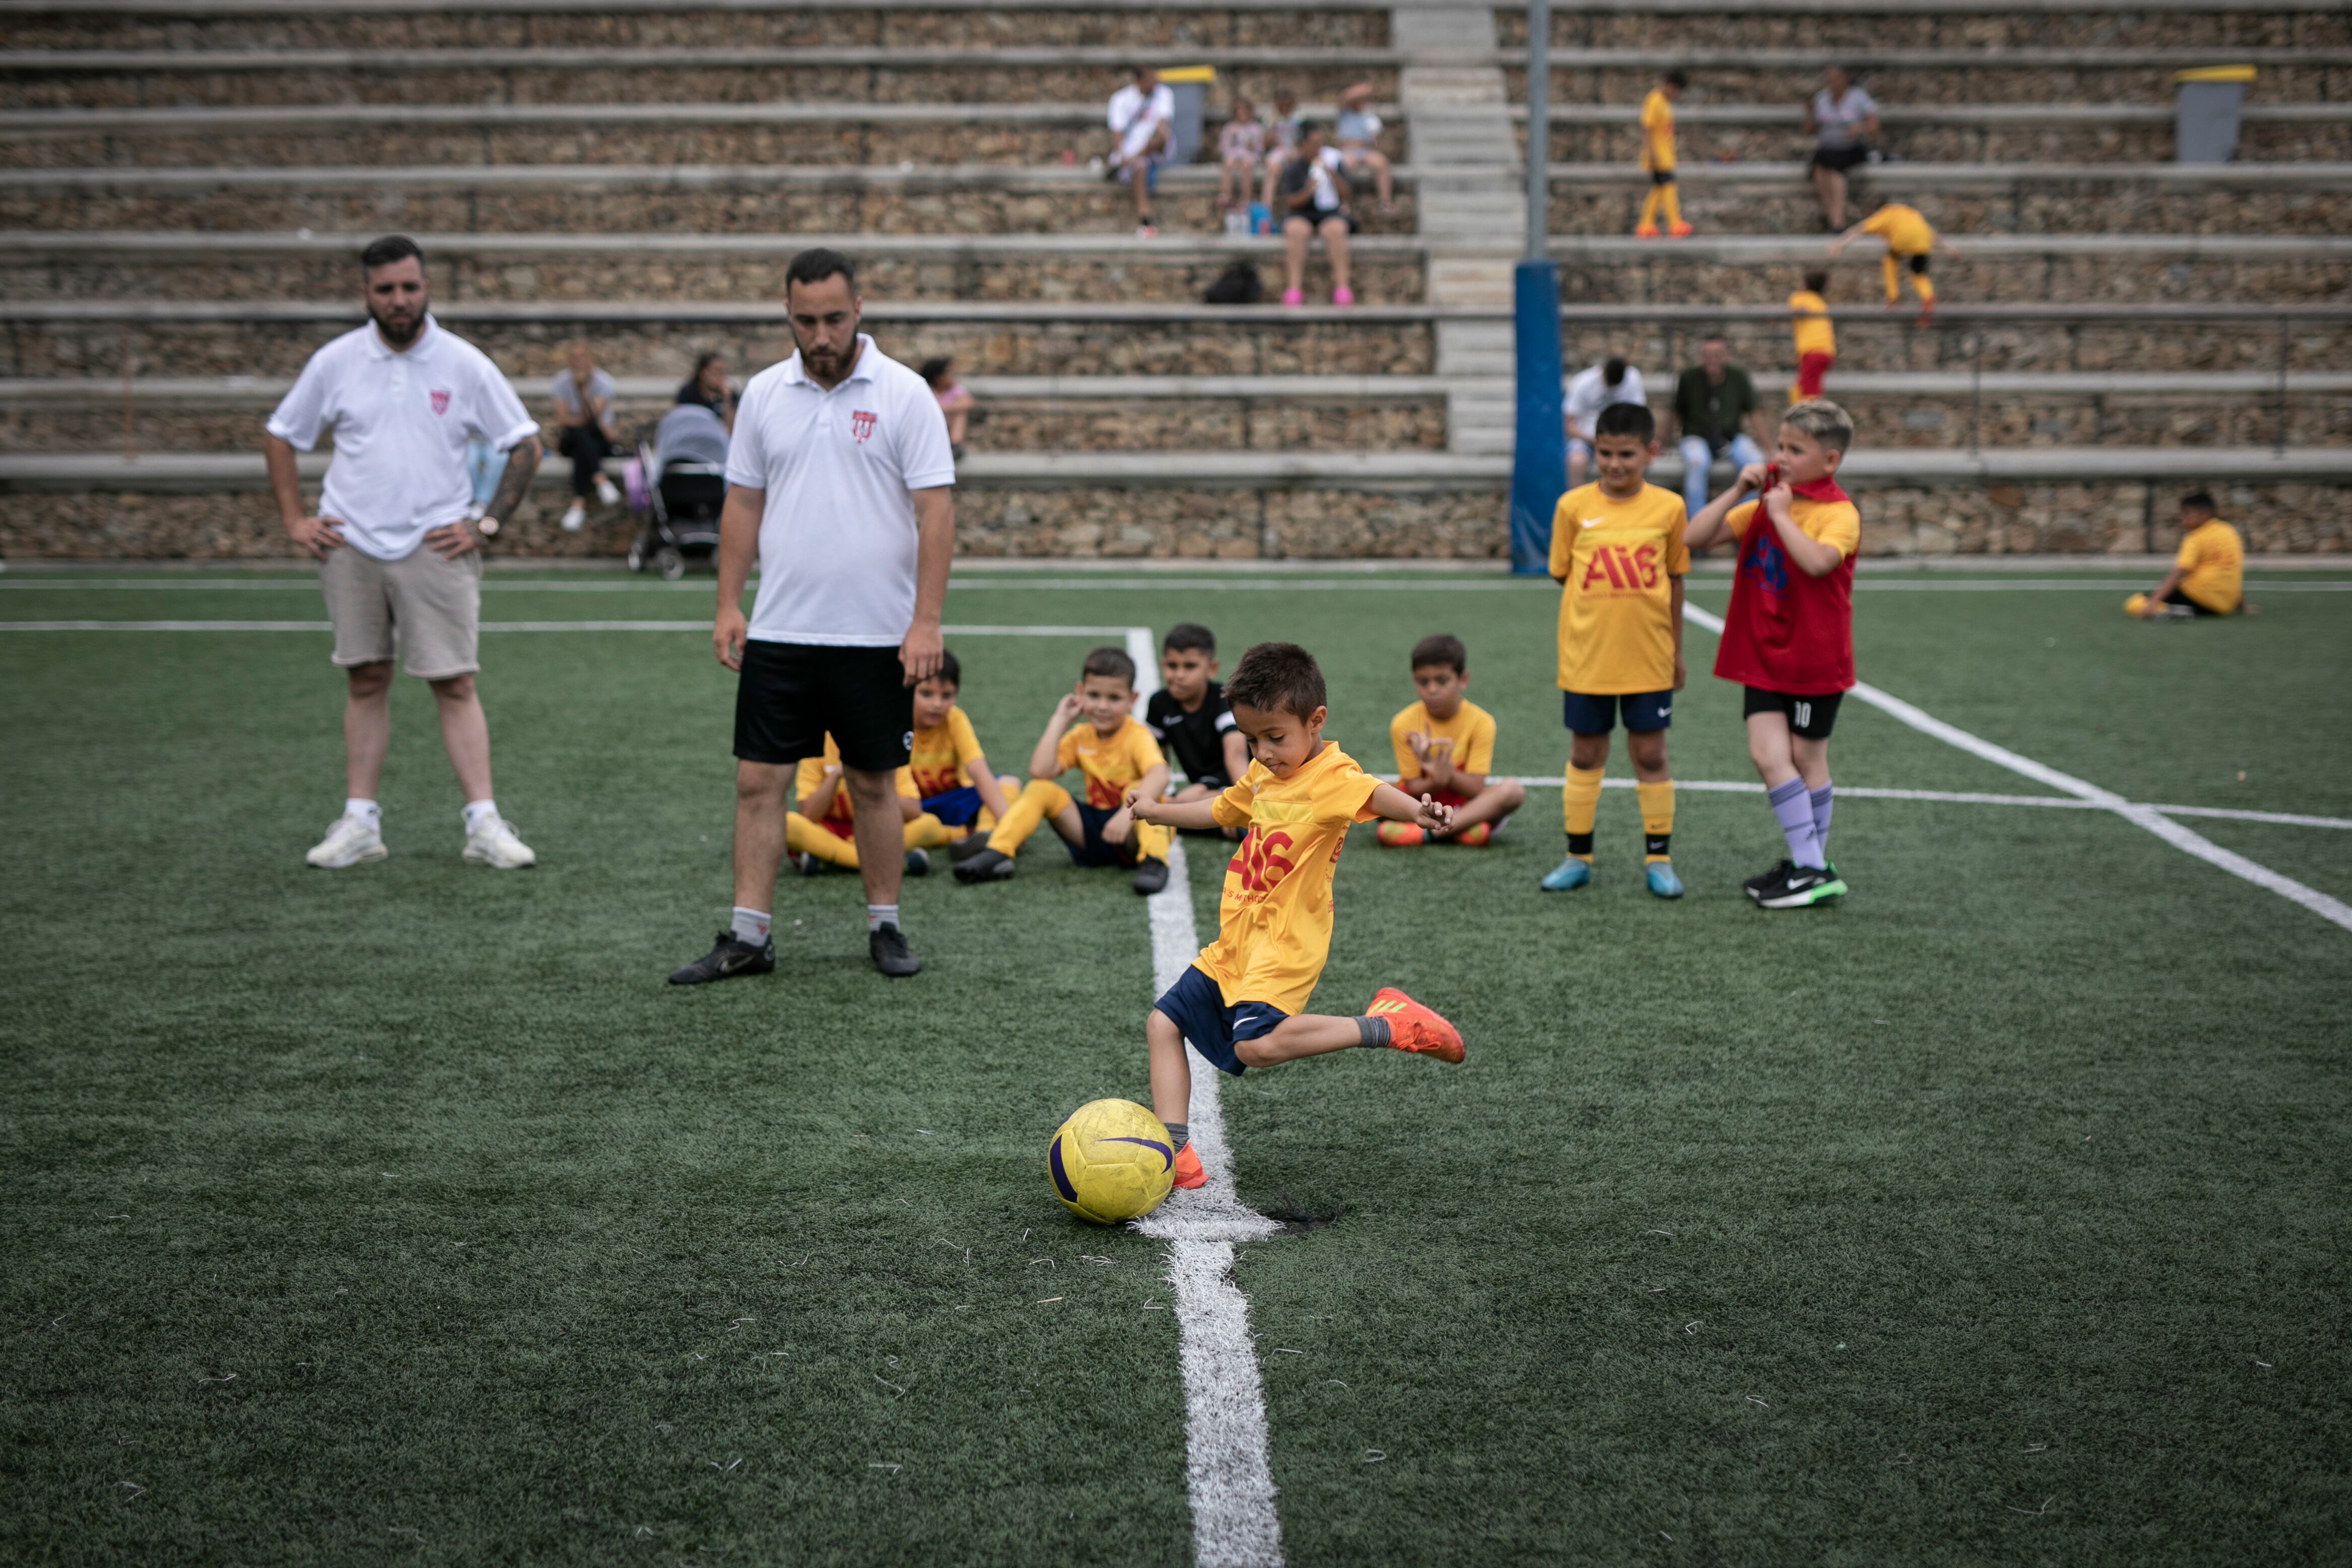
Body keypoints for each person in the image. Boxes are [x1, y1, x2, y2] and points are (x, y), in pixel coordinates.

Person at [668, 247, 956, 985]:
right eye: (806, 320)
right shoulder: (763, 394)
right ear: (787, 316)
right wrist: (729, 603)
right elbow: (742, 503)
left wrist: (925, 621)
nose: (821, 334)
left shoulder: (904, 393)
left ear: (858, 311)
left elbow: (935, 510)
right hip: (780, 630)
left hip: (875, 635)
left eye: (834, 318)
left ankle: (885, 926)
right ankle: (748, 934)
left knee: (872, 783)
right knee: (756, 783)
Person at [1125, 641, 1465, 1193]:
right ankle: (1177, 1151)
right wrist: (1156, 810)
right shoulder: (1261, 776)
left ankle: (1390, 1025)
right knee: (1162, 1024)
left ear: (1316, 721)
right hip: (1238, 939)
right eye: (1251, 739)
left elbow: (1378, 795)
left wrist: (1420, 811)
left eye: (1275, 737)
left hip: (1286, 940)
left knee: (1254, 1046)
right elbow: (1219, 808)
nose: (1262, 751)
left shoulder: (1332, 774)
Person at [263, 234, 542, 873]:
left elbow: (526, 444)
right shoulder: (335, 361)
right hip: (350, 543)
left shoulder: (463, 362)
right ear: (366, 293)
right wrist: (294, 520)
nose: (398, 300)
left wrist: (487, 523)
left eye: (409, 287)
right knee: (365, 678)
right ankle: (359, 821)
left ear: (426, 288)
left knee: (455, 682)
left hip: (434, 544)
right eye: (385, 289)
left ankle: (484, 823)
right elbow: (281, 435)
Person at [1685, 398, 1861, 910]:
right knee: (1767, 756)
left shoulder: (1838, 513)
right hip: (1762, 653)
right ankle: (1809, 864)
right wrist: (1740, 489)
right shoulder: (1766, 500)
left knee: (1806, 759)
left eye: (1795, 450)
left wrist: (1780, 514)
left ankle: (1810, 865)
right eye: (1779, 446)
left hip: (1812, 657)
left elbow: (1816, 563)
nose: (1780, 458)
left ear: (1829, 460)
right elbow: (1693, 538)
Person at [1538, 401, 1690, 899]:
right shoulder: (1572, 507)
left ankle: (1659, 858)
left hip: (1648, 656)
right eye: (1605, 454)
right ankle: (1577, 856)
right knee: (1585, 753)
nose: (1615, 464)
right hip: (1588, 658)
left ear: (1650, 451)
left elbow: (1674, 579)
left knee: (1650, 753)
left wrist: (1676, 652)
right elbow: (1563, 573)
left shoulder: (1668, 508)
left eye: (1626, 454)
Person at [952, 645, 1172, 893]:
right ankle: (997, 852)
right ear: (1080, 693)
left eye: (1114, 698)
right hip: (1094, 833)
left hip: (1131, 832)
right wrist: (1060, 720)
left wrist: (1125, 815)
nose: (1102, 706)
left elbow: (1160, 773)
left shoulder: (1137, 736)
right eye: (1094, 695)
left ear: (1132, 700)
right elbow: (1040, 771)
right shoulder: (1081, 736)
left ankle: (1155, 862)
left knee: (1142, 792)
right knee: (1040, 789)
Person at [1379, 634, 1526, 847]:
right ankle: (1462, 831)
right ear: (1414, 682)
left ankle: (1428, 834)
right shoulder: (1402, 723)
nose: (1432, 689)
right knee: (1371, 786)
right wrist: (1436, 781)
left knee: (1513, 791)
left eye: (1442, 680)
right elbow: (1413, 788)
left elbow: (1475, 789)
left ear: (1463, 680)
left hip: (1465, 805)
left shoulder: (1481, 722)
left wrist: (1446, 774)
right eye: (1423, 682)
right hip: (1421, 805)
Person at [904, 651, 1023, 863]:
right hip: (912, 810)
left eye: (946, 695)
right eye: (926, 694)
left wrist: (1009, 828)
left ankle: (986, 834)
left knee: (1009, 782)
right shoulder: (896, 725)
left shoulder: (955, 719)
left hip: (953, 803)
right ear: (907, 690)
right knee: (913, 822)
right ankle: (962, 835)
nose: (937, 704)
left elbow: (978, 770)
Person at [783, 733, 943, 877]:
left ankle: (835, 861)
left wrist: (875, 783)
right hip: (832, 833)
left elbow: (914, 810)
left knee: (930, 824)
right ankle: (888, 863)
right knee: (786, 824)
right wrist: (837, 775)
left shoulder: (887, 742)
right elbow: (808, 814)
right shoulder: (817, 743)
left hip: (878, 831)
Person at [1145, 623, 1251, 817]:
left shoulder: (1224, 700)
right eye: (1172, 666)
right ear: (1163, 665)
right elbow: (1155, 760)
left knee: (1180, 805)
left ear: (1211, 668)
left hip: (1241, 784)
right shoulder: (1159, 703)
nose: (1179, 675)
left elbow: (1236, 755)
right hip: (1203, 790)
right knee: (1163, 807)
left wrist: (1244, 801)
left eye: (1190, 666)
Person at [1667, 336, 1769, 517]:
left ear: (1726, 356)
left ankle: (1743, 523)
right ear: (1702, 356)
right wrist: (1661, 442)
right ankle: (1697, 528)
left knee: (1755, 461)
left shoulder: (1738, 377)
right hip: (1696, 437)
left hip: (1731, 437)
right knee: (1697, 462)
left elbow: (1755, 414)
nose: (1712, 360)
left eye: (1717, 355)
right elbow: (1675, 413)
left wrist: (1769, 449)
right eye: (1708, 355)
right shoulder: (1689, 378)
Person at [1830, 199, 1960, 323]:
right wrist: (1949, 249)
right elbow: (1930, 232)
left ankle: (1893, 299)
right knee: (1918, 273)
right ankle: (1927, 296)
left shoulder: (1884, 214)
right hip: (1923, 241)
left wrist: (1840, 245)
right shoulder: (1909, 212)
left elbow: (1858, 230)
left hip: (1903, 238)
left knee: (1889, 261)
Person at [2128, 491, 2247, 618]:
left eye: (2186, 514)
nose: (2182, 519)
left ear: (2204, 515)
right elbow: (2232, 572)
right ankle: (2178, 610)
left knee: (2135, 603)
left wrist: (2152, 603)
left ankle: (2170, 611)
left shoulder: (2195, 537)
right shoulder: (2229, 531)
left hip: (2199, 598)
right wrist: (2243, 607)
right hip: (2223, 607)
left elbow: (2180, 572)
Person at [1275, 121, 1355, 308]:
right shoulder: (1293, 168)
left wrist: (1333, 175)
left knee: (1336, 230)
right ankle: (1294, 289)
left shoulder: (1334, 162)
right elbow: (1289, 201)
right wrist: (1308, 190)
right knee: (1295, 231)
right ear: (1303, 144)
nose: (1318, 148)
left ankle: (1342, 288)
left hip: (1329, 214)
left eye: (1321, 143)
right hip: (1301, 214)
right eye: (1314, 143)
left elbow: (1347, 195)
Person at [550, 340, 622, 533]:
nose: (579, 362)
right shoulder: (560, 382)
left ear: (592, 360)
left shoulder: (604, 383)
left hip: (596, 438)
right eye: (575, 358)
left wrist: (582, 392)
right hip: (572, 438)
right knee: (579, 433)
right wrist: (577, 419)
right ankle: (600, 480)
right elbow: (564, 419)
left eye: (583, 358)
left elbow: (592, 417)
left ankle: (578, 506)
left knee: (584, 440)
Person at [1802, 65, 1880, 232]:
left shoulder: (1858, 98)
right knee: (1819, 169)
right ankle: (1832, 216)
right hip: (1828, 148)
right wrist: (1809, 113)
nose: (1832, 82)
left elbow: (1873, 126)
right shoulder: (1821, 99)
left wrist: (1858, 129)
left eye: (1835, 78)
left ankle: (1837, 220)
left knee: (1834, 171)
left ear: (1846, 78)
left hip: (1851, 148)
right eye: (1829, 79)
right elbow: (1809, 131)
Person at [1107, 64, 1176, 238]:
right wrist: (1122, 155)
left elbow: (1162, 127)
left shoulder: (1164, 94)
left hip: (1156, 148)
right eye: (1150, 79)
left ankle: (1133, 160)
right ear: (1139, 80)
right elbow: (1117, 132)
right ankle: (1145, 218)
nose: (1154, 82)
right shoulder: (1120, 99)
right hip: (1132, 152)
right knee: (1140, 166)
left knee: (1159, 138)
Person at [1563, 355, 1647, 487]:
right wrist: (1593, 440)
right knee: (1576, 462)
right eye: (1609, 384)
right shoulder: (1583, 382)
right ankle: (1576, 505)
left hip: (1623, 439)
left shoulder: (1633, 378)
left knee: (1639, 457)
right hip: (1587, 441)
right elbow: (1568, 425)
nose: (1612, 387)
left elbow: (1639, 417)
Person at [1636, 68, 1692, 240]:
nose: (1676, 95)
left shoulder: (1664, 102)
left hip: (1665, 156)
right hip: (1658, 156)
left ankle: (1645, 225)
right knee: (1667, 188)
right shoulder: (1654, 100)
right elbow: (1647, 127)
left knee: (1659, 190)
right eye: (1676, 91)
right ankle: (1674, 223)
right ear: (1669, 85)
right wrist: (1650, 153)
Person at [1333, 82, 1395, 216]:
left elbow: (1375, 142)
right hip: (1348, 151)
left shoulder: (1370, 118)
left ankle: (1385, 203)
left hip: (1366, 151)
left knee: (1382, 163)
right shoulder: (1345, 113)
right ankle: (1344, 203)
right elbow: (1346, 96)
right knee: (1344, 165)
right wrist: (1366, 88)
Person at [1788, 269, 1837, 404]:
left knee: (1809, 393)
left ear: (1804, 285)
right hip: (1826, 352)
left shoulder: (1800, 297)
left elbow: (1799, 310)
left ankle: (1811, 419)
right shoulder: (1821, 303)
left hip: (1812, 351)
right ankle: (1802, 416)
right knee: (1800, 388)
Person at [1217, 97, 1266, 213]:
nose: (1242, 115)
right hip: (1233, 156)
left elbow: (1260, 149)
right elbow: (1224, 147)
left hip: (1249, 157)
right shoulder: (1230, 128)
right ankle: (1226, 195)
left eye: (1245, 112)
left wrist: (1252, 146)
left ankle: (1245, 199)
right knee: (1227, 164)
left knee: (1246, 165)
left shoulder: (1256, 129)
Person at [1258, 88, 1303, 212]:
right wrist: (1270, 136)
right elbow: (1266, 144)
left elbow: (1303, 141)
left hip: (1294, 151)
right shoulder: (1270, 118)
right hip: (1278, 151)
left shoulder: (1299, 118)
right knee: (1273, 168)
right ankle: (1266, 207)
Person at [919, 356, 972, 460]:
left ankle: (955, 445)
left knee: (960, 415)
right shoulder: (926, 390)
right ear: (938, 377)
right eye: (950, 373)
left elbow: (967, 403)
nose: (954, 376)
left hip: (948, 427)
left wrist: (942, 408)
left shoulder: (955, 390)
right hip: (930, 428)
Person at [676, 351, 736, 430]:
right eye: (716, 371)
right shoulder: (689, 393)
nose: (720, 376)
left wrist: (727, 400)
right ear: (703, 373)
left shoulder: (730, 395)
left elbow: (731, 429)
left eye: (723, 371)